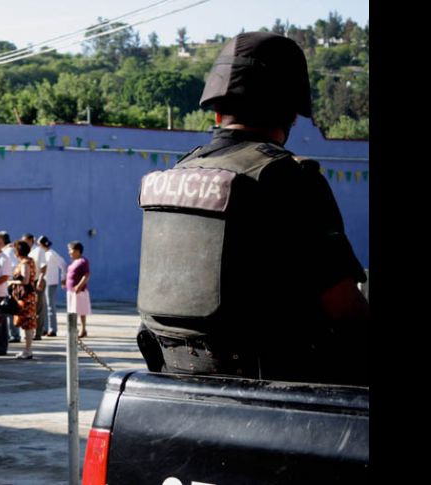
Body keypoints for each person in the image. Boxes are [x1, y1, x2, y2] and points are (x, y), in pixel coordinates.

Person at [135, 32, 369, 386]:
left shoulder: (176, 174)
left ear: (216, 110)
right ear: (291, 114)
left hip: (177, 389)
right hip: (282, 402)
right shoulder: (289, 178)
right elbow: (345, 312)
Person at [9, 240, 38, 359]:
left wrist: (11, 282)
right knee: (28, 323)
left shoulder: (25, 263)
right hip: (27, 295)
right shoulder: (30, 261)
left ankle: (28, 350)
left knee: (27, 323)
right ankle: (27, 349)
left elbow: (25, 281)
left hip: (25, 297)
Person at [38, 236, 67, 337]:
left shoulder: (52, 253)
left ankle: (52, 328)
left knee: (50, 306)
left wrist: (63, 278)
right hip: (43, 282)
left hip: (51, 282)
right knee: (44, 306)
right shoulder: (42, 254)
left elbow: (63, 264)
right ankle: (45, 328)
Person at [64, 241, 91, 339]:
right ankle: (72, 330)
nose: (69, 253)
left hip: (79, 291)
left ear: (77, 251)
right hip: (71, 291)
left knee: (81, 311)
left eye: (71, 250)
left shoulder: (83, 261)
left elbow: (86, 275)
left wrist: (79, 286)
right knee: (72, 311)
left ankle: (83, 329)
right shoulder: (75, 261)